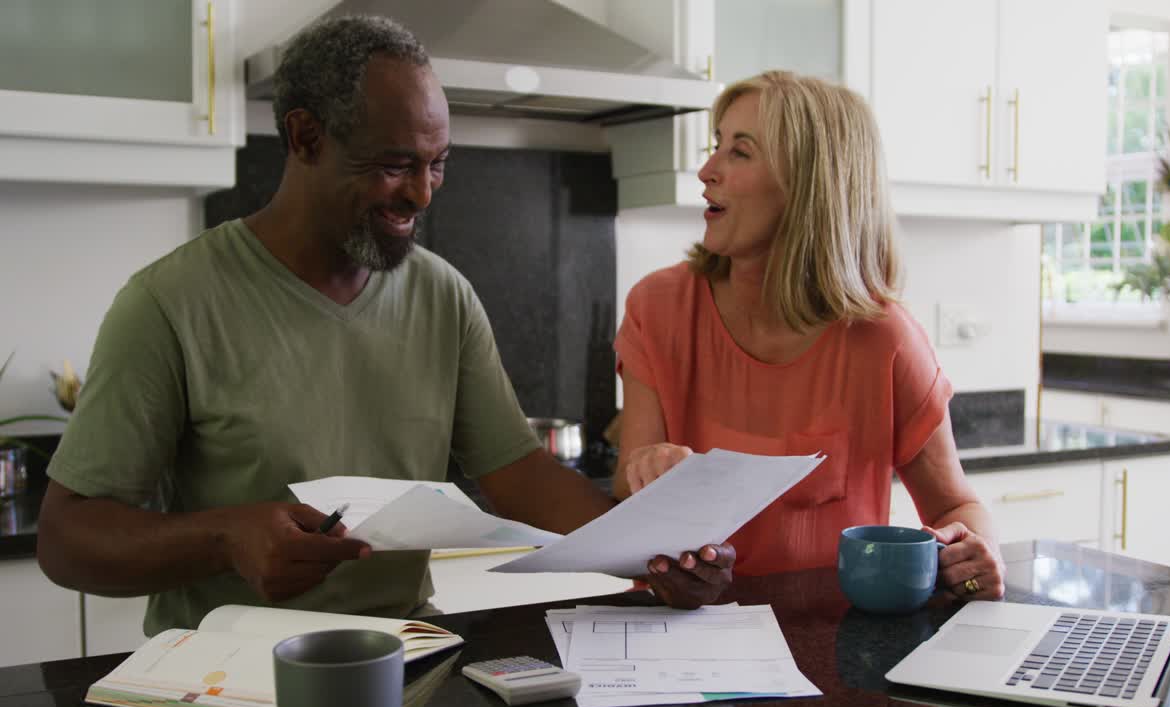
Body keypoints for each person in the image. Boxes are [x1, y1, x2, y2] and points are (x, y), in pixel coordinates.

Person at [35, 15, 732, 636]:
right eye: (396, 165)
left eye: (437, 165)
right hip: (223, 678)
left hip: (403, 663)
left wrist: (657, 550)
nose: (423, 193)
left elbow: (519, 476)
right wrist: (223, 538)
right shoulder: (170, 301)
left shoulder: (442, 295)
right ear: (305, 136)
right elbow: (68, 537)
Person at [611, 71, 1006, 601]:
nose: (707, 171)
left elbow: (955, 506)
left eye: (740, 152)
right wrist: (649, 470)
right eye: (716, 146)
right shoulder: (657, 308)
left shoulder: (885, 339)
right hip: (678, 637)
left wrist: (975, 552)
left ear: (809, 184)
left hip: (833, 647)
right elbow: (627, 486)